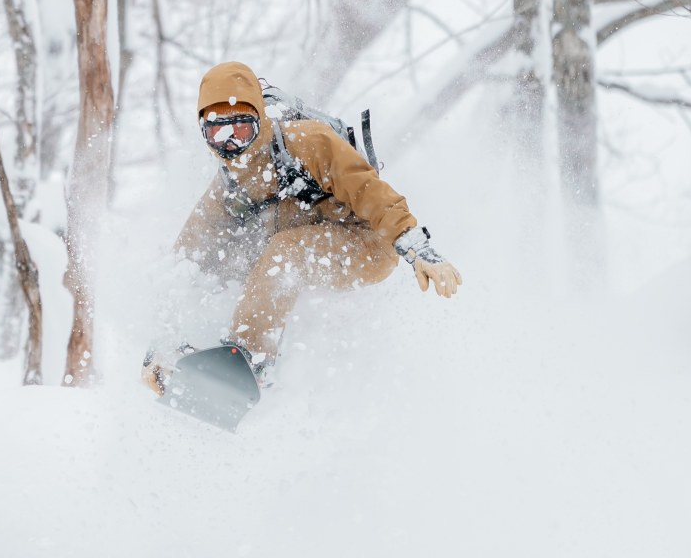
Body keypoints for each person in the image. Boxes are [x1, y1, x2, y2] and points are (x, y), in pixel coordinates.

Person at [144, 61, 461, 394]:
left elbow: (371, 192)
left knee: (284, 254)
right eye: (217, 132)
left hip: (366, 243)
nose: (231, 143)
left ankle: (250, 363)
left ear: (260, 119)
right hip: (303, 243)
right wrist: (160, 343)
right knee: (228, 260)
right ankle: (200, 361)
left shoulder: (306, 141)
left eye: (241, 129)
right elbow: (187, 260)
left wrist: (415, 245)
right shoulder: (231, 184)